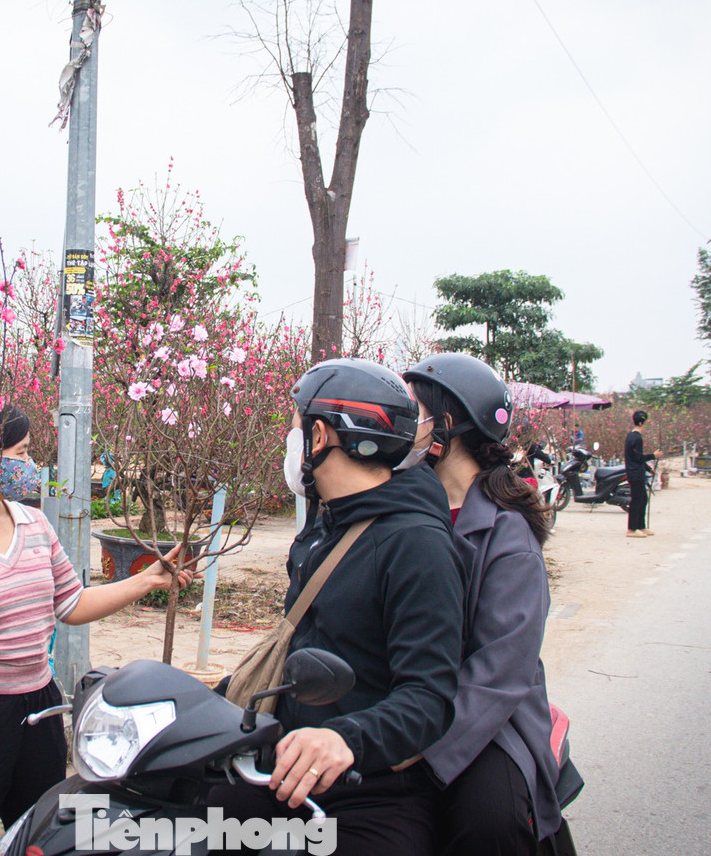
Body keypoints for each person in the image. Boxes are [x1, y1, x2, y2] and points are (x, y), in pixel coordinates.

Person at [0, 403, 192, 856]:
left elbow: (72, 602)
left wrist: (147, 580)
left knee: (44, 838)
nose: (31, 464)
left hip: (39, 710)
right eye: (22, 452)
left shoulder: (35, 523)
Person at [211, 358, 466, 855]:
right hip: (280, 769)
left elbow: (429, 696)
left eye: (295, 427)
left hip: (367, 793)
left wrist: (345, 739)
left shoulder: (417, 544)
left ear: (321, 435)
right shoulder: (324, 529)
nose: (291, 441)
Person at [402, 352, 570, 856]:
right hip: (406, 701)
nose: (403, 423)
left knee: (487, 822)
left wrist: (424, 751)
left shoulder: (508, 535)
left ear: (446, 427)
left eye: (414, 411)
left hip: (485, 719)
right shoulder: (405, 505)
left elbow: (502, 668)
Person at [624, 410, 660, 537]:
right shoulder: (636, 438)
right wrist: (653, 456)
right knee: (636, 501)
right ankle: (632, 529)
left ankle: (641, 526)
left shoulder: (632, 436)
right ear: (641, 422)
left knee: (643, 499)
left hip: (638, 472)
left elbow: (636, 458)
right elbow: (637, 457)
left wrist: (649, 469)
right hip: (635, 474)